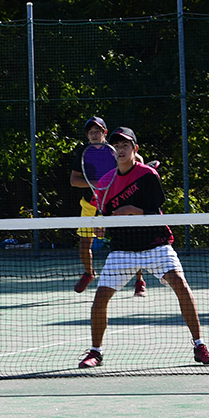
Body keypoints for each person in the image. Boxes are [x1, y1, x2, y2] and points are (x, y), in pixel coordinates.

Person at [78, 127, 209, 369]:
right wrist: (101, 227)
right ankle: (96, 352)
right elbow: (105, 216)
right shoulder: (105, 181)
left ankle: (199, 346)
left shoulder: (148, 175)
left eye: (125, 145)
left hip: (156, 245)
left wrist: (132, 210)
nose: (121, 150)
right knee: (100, 298)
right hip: (123, 250)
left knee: (181, 285)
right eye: (117, 146)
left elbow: (155, 211)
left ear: (135, 149)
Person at [67, 117, 151, 297]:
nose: (94, 134)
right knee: (84, 244)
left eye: (97, 131)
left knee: (131, 240)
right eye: (91, 132)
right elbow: (74, 180)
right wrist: (98, 183)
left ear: (105, 132)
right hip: (90, 204)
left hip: (115, 202)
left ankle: (139, 281)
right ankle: (89, 273)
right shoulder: (83, 152)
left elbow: (137, 160)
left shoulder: (114, 150)